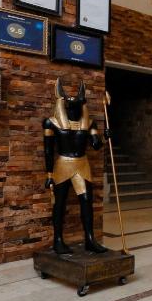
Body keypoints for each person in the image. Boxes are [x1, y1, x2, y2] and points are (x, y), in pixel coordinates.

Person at [43, 79, 109, 254]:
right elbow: (48, 150)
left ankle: (90, 239)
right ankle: (58, 240)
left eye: (78, 103)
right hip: (62, 164)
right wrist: (49, 174)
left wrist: (104, 137)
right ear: (63, 104)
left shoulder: (89, 123)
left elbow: (95, 146)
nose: (73, 106)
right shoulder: (51, 122)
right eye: (70, 103)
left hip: (82, 163)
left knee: (86, 201)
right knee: (59, 203)